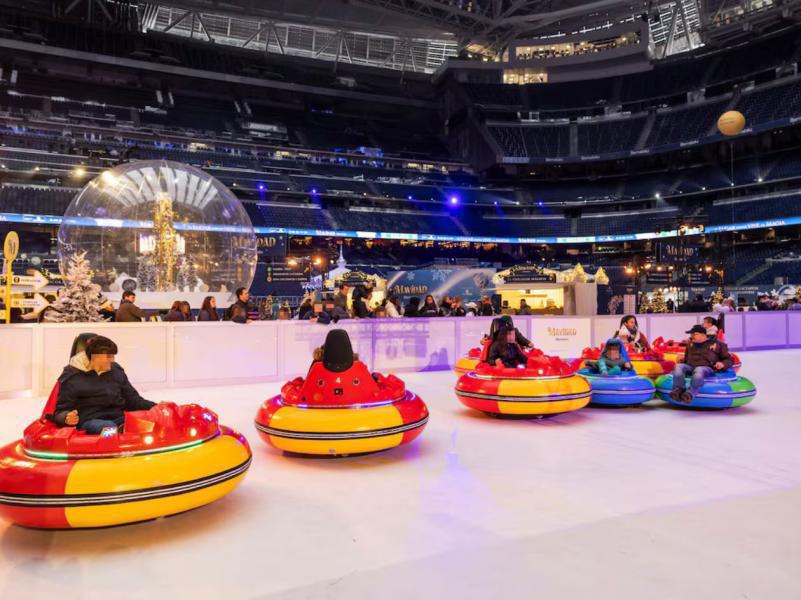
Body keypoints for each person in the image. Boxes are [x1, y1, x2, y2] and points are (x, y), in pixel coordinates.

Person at [52, 335, 156, 434]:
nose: (112, 360)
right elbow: (60, 411)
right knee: (108, 428)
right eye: (108, 356)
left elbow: (133, 399)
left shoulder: (116, 371)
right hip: (90, 421)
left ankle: (124, 437)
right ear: (94, 357)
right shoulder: (72, 377)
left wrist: (156, 407)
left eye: (112, 356)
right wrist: (66, 417)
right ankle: (114, 440)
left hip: (118, 418)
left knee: (144, 424)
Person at [670, 324, 733, 403]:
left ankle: (691, 393)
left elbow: (729, 359)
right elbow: (686, 359)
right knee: (679, 366)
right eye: (691, 334)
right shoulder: (690, 344)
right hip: (691, 366)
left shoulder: (718, 344)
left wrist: (722, 364)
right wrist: (681, 361)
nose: (692, 336)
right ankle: (678, 389)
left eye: (694, 334)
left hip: (707, 367)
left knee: (699, 369)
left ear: (703, 335)